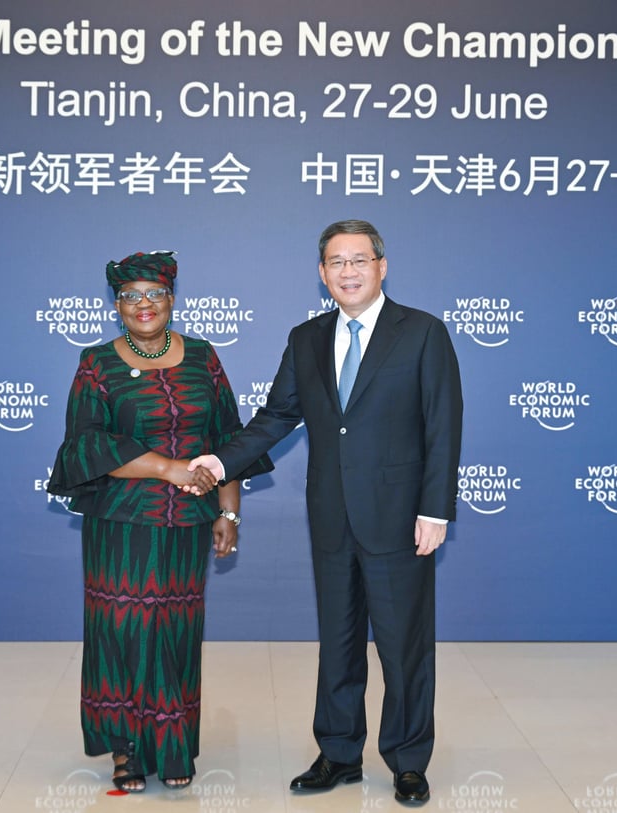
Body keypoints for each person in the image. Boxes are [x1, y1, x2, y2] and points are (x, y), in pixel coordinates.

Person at [186, 220, 463, 805]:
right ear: (321, 273)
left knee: (404, 646)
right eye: (336, 262)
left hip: (400, 517)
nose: (348, 272)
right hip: (332, 514)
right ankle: (338, 753)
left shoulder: (422, 332)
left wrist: (435, 510)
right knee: (337, 641)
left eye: (359, 260)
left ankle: (408, 760)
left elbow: (442, 425)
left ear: (382, 266)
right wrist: (220, 460)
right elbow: (276, 416)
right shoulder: (306, 338)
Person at [47, 250, 272, 793]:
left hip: (187, 524)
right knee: (123, 629)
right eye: (130, 296)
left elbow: (227, 439)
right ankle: (126, 748)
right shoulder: (96, 363)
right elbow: (86, 446)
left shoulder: (204, 357)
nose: (143, 304)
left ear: (171, 299)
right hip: (121, 524)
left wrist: (229, 511)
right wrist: (168, 468)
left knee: (175, 630)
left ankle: (172, 745)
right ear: (116, 305)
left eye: (154, 294)